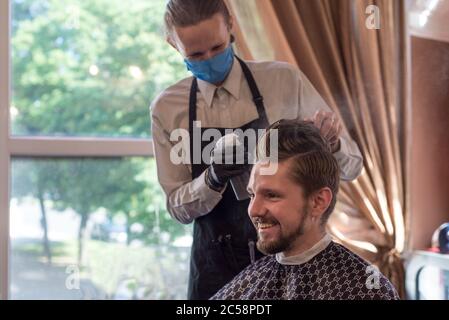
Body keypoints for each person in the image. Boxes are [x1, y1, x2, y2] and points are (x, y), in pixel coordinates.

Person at [150, 0, 363, 299]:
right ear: (174, 45)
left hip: (290, 262)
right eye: (196, 54)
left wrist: (332, 143)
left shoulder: (283, 81)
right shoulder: (168, 109)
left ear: (231, 25)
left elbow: (352, 167)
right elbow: (177, 207)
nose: (210, 58)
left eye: (217, 47)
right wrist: (212, 179)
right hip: (214, 266)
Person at [211, 119, 399, 300]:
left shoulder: (366, 290)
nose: (254, 210)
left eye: (272, 195)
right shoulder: (247, 283)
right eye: (252, 195)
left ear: (318, 202)